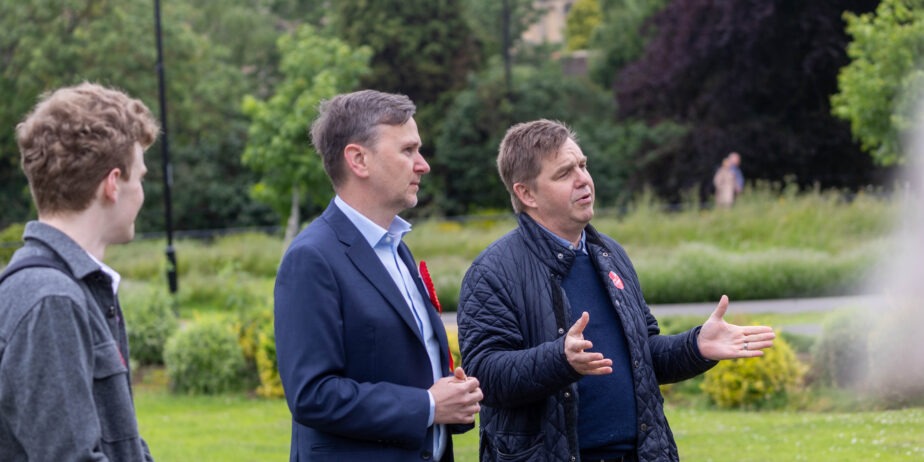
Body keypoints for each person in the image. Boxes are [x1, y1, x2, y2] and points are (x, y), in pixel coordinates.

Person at [457, 119, 775, 462]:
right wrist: (560, 359)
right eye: (565, 173)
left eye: (583, 165)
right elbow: (484, 375)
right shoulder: (493, 272)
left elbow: (645, 355)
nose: (583, 179)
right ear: (526, 193)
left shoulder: (609, 255)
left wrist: (697, 346)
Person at [274, 89, 482, 462]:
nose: (423, 165)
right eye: (407, 150)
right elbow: (312, 394)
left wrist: (453, 398)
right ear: (358, 160)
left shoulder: (397, 247)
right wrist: (429, 405)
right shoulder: (311, 258)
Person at [0, 82, 159, 461]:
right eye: (139, 178)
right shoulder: (50, 300)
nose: (141, 192)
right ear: (112, 184)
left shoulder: (68, 288)